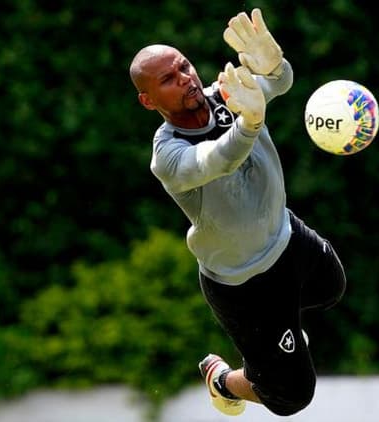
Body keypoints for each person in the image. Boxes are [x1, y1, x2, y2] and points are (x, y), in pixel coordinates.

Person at [129, 8, 346, 417]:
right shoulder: (167, 153)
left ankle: (280, 339)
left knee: (331, 287)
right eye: (168, 80)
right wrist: (249, 122)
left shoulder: (229, 93)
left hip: (285, 237)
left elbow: (279, 83)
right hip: (243, 283)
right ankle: (223, 380)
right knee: (292, 397)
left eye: (184, 66)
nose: (186, 79)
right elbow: (217, 159)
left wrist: (275, 64)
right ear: (148, 100)